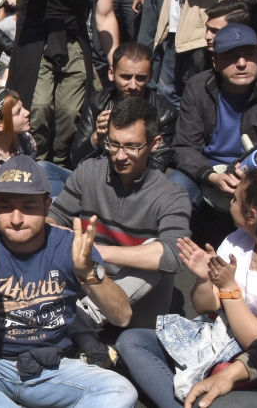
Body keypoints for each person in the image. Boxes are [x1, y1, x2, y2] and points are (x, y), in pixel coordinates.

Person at [0, 155, 137, 408]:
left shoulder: (69, 245)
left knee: (121, 391)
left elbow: (122, 316)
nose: (16, 219)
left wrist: (88, 271)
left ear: (47, 205)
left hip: (53, 368)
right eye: (6, 206)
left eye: (28, 206)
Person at [117, 169, 257, 408]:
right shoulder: (237, 241)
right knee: (132, 341)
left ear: (251, 214)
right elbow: (205, 306)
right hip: (215, 337)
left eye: (236, 198)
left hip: (249, 363)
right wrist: (205, 280)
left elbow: (256, 343)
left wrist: (228, 287)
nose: (231, 200)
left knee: (209, 403)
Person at [51, 98, 191, 342]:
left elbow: (174, 255)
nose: (119, 155)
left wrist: (95, 251)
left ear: (155, 144)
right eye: (113, 144)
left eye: (132, 146)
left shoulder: (171, 195)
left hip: (135, 305)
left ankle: (82, 319)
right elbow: (53, 218)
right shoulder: (87, 173)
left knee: (158, 254)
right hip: (88, 282)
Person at [6, 0, 119, 168]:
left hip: (71, 33)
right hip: (36, 32)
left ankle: (60, 167)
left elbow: (104, 14)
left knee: (71, 111)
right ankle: (36, 162)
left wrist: (117, 59)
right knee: (38, 107)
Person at [170, 24, 257, 211]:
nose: (241, 63)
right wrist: (211, 176)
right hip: (208, 167)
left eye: (249, 54)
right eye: (231, 56)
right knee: (171, 193)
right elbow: (185, 145)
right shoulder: (198, 87)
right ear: (215, 61)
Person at [71, 43, 179, 171]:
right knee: (46, 168)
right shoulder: (98, 102)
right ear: (111, 73)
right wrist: (96, 138)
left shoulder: (165, 114)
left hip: (134, 185)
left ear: (150, 76)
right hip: (92, 176)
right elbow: (76, 160)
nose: (133, 85)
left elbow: (156, 168)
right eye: (126, 77)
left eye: (140, 78)